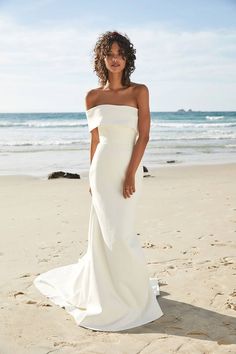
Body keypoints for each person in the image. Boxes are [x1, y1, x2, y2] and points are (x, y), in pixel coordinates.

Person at [33, 30, 163, 332]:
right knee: (105, 234)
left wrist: (132, 172)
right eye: (109, 53)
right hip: (102, 170)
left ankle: (132, 297)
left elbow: (143, 136)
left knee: (122, 234)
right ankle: (109, 293)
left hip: (128, 168)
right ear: (101, 58)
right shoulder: (92, 96)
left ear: (127, 57)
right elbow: (94, 140)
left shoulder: (139, 91)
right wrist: (92, 174)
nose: (115, 58)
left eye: (120, 53)